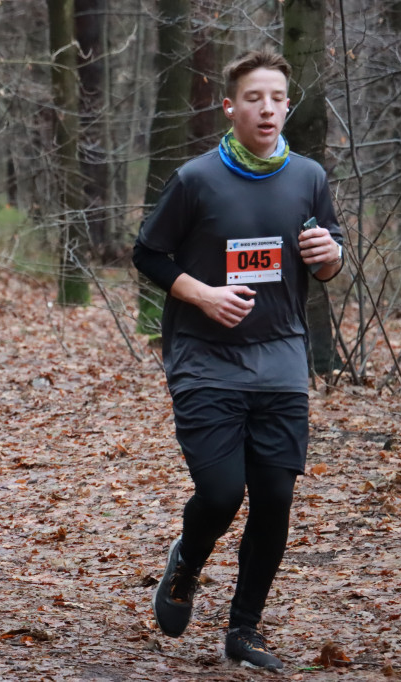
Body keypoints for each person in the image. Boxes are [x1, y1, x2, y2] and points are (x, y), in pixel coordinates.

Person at [133, 50, 343, 670]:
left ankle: (243, 631)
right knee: (223, 493)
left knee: (275, 497)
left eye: (278, 98)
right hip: (205, 359)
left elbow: (330, 264)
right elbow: (148, 255)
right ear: (231, 106)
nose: (268, 108)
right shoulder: (198, 179)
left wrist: (327, 253)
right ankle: (186, 564)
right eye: (255, 97)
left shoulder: (309, 177)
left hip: (280, 358)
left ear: (287, 107)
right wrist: (202, 294)